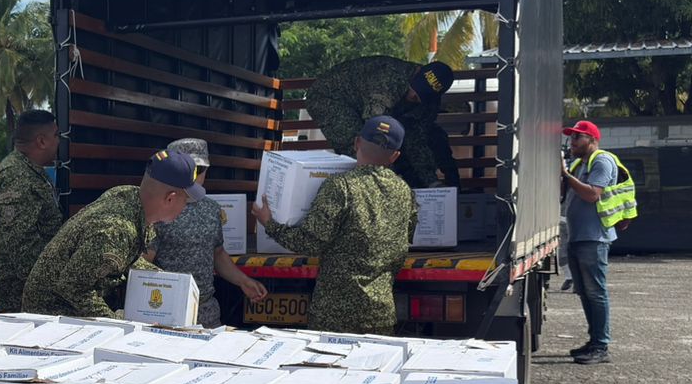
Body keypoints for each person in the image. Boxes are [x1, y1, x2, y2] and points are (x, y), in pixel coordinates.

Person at [250, 115, 418, 335]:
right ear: (395, 156)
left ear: (357, 142)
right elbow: (405, 242)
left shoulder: (341, 187)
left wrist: (269, 223)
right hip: (380, 312)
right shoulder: (404, 191)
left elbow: (310, 241)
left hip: (334, 314)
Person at [22, 149, 200, 318]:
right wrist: (120, 324)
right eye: (186, 201)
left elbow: (127, 258)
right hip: (50, 318)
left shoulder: (131, 198)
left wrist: (169, 282)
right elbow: (73, 288)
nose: (185, 208)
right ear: (170, 198)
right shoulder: (116, 231)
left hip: (68, 308)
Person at [148, 138, 267, 326]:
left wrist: (243, 281)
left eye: (198, 170)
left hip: (206, 312)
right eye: (188, 170)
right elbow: (144, 263)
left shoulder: (211, 209)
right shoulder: (159, 208)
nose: (194, 176)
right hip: (167, 311)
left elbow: (217, 253)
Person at [305, 56, 459, 189]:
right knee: (358, 146)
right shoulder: (389, 77)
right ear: (417, 71)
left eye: (420, 96)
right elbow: (376, 132)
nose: (413, 96)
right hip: (330, 97)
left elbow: (416, 140)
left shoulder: (428, 105)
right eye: (414, 89)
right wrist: (392, 179)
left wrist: (431, 182)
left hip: (361, 106)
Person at [561, 119, 633, 365]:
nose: (572, 142)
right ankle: (593, 342)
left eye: (577, 137)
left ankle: (601, 346)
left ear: (592, 140)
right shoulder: (581, 162)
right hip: (579, 236)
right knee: (584, 292)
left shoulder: (601, 160)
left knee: (596, 292)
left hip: (594, 237)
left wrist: (565, 174)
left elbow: (593, 194)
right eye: (571, 137)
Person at [0, 109, 63, 312]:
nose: (59, 142)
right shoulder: (16, 176)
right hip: (17, 294)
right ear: (41, 141)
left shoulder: (31, 171)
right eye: (56, 136)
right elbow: (21, 247)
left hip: (29, 289)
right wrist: (55, 285)